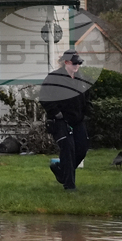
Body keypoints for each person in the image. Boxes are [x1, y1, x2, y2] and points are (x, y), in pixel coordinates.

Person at [39, 49, 93, 191]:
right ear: (66, 62)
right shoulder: (53, 78)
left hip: (78, 120)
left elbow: (87, 99)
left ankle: (61, 171)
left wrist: (87, 112)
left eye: (79, 63)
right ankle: (69, 186)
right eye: (74, 63)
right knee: (68, 149)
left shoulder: (81, 79)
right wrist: (56, 113)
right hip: (60, 121)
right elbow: (44, 97)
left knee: (82, 149)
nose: (77, 66)